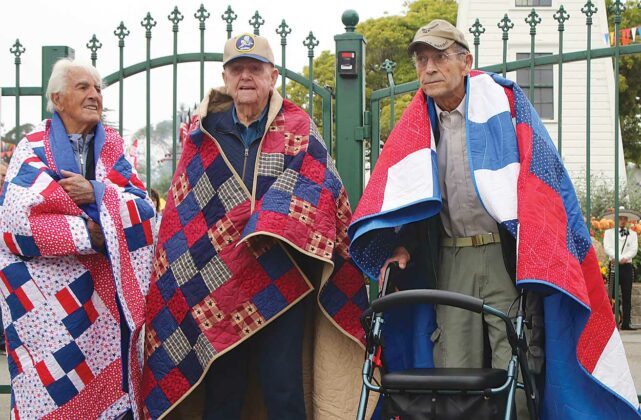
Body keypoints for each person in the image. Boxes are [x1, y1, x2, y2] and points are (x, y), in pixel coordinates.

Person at [349, 19, 640, 418]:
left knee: (517, 362)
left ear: (466, 61)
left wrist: (541, 244)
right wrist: (400, 244)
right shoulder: (415, 124)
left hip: (505, 257)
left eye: (438, 57)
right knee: (452, 363)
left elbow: (544, 179)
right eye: (421, 60)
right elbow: (403, 198)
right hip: (450, 258)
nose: (428, 68)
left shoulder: (506, 103)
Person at [141, 33, 373, 419]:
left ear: (273, 76)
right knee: (223, 391)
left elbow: (324, 192)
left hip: (280, 284)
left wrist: (266, 222)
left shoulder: (298, 128)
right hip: (216, 287)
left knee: (282, 388)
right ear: (226, 77)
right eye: (237, 69)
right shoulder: (204, 133)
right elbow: (184, 213)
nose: (245, 77)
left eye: (255, 69)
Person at [0, 59, 155, 419]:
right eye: (83, 87)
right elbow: (17, 221)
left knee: (112, 399)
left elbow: (144, 211)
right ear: (58, 99)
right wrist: (90, 233)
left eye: (98, 89)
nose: (94, 95)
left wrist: (97, 192)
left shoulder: (113, 148)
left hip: (104, 312)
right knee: (52, 390)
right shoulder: (32, 148)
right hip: (45, 310)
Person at [604, 209, 639, 330]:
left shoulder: (633, 234)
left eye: (625, 218)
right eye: (620, 218)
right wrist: (617, 257)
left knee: (627, 294)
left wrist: (625, 258)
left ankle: (626, 323)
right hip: (614, 265)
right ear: (616, 219)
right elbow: (607, 247)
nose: (622, 221)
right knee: (612, 294)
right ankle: (613, 320)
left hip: (627, 266)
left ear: (627, 220)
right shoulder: (609, 233)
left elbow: (633, 249)